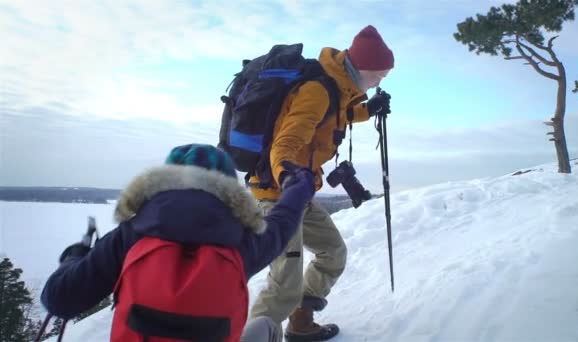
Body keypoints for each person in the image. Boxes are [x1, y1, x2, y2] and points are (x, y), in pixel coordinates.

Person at [40, 143, 315, 342]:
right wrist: (298, 187)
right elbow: (282, 223)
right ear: (229, 189)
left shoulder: (131, 235)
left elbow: (59, 300)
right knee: (266, 326)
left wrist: (73, 258)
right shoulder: (241, 243)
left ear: (165, 180)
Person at [247, 25, 394, 341]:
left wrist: (369, 109)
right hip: (277, 193)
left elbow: (339, 115)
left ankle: (300, 322)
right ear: (362, 68)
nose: (380, 81)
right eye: (379, 75)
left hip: (300, 191)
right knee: (284, 282)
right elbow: (284, 143)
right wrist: (287, 176)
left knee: (332, 252)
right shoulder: (317, 90)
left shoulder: (339, 89)